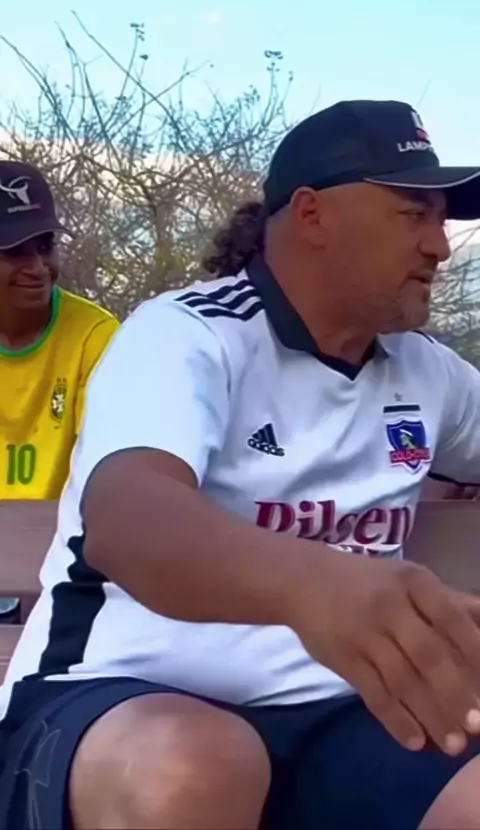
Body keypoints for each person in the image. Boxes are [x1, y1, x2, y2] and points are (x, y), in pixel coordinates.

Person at [4, 101, 480, 830]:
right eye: (413, 214)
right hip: (118, 698)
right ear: (313, 215)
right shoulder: (185, 335)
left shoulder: (428, 372)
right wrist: (314, 584)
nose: (439, 247)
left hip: (342, 714)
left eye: (441, 220)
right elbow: (127, 522)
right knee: (197, 767)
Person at [0, 160, 120, 622]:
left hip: (59, 573)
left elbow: (107, 475)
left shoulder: (96, 336)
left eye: (45, 246)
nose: (37, 268)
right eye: (14, 251)